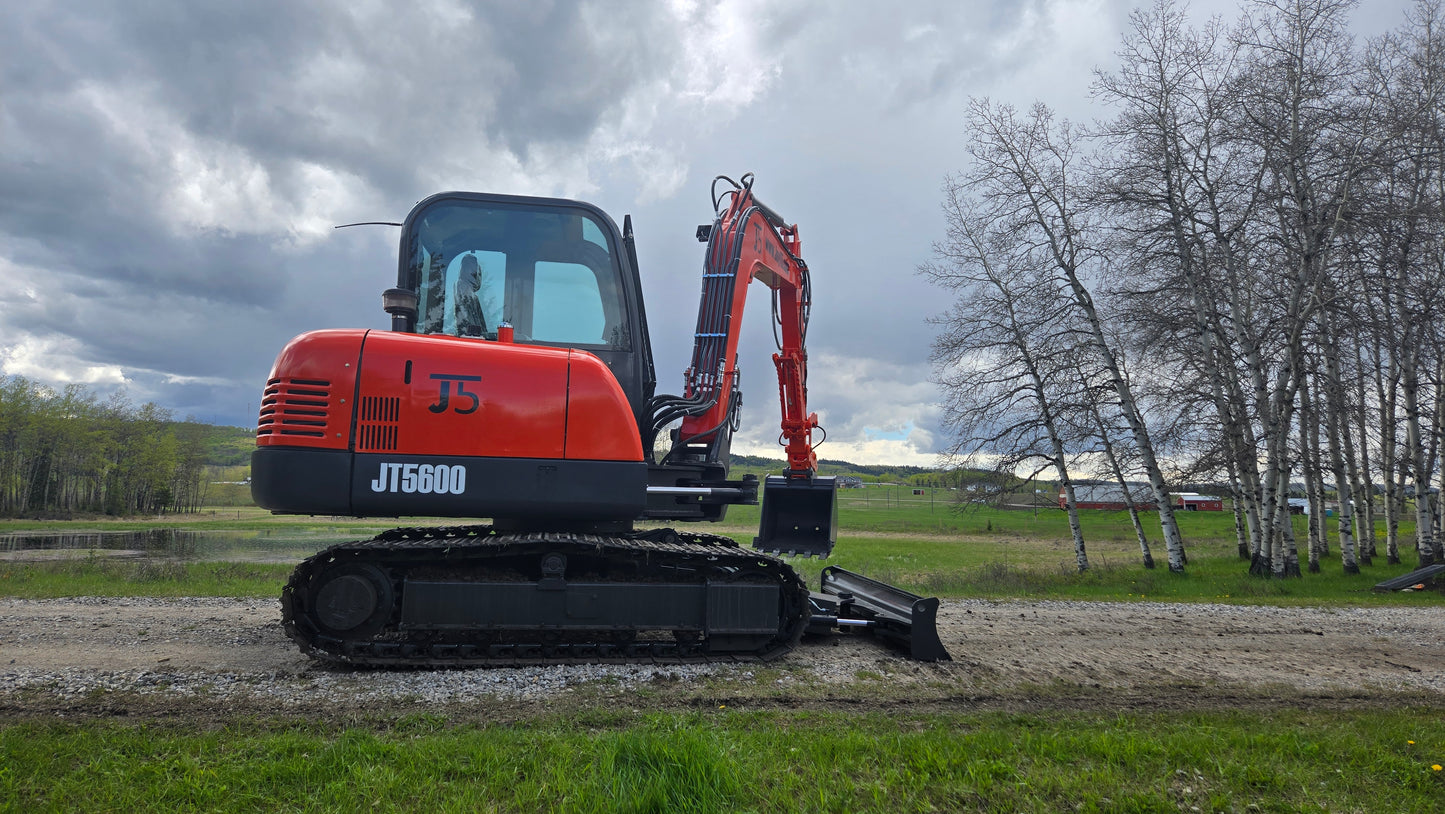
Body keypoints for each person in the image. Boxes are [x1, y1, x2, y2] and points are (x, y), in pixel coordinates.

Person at [454, 254, 488, 337]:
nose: (478, 276)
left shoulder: (474, 298)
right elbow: (465, 321)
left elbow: (482, 328)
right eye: (475, 272)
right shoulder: (460, 286)